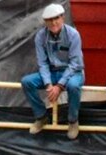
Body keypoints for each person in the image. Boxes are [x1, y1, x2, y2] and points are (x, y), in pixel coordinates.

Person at [21, 3, 84, 140]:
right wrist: (49, 84)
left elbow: (75, 64)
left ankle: (73, 120)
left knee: (73, 86)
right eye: (50, 19)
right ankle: (41, 116)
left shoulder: (73, 35)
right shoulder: (40, 36)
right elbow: (42, 63)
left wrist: (59, 86)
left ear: (63, 18)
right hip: (52, 72)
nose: (54, 22)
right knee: (27, 82)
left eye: (57, 18)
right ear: (45, 21)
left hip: (73, 72)